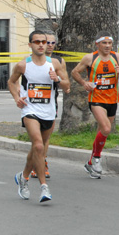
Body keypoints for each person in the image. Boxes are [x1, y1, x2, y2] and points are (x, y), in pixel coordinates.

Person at [8, 30, 70, 203]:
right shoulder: (23, 65)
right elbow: (11, 82)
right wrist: (16, 97)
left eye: (44, 41)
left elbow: (67, 86)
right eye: (37, 42)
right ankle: (44, 187)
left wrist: (57, 79)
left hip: (48, 111)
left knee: (37, 149)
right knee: (38, 146)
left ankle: (23, 177)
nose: (42, 45)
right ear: (30, 45)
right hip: (30, 110)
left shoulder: (55, 64)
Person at [71, 31, 119, 179]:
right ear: (97, 44)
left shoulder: (118, 57)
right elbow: (74, 72)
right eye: (104, 43)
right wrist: (85, 83)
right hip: (96, 99)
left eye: (110, 43)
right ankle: (97, 159)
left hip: (112, 99)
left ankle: (90, 162)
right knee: (106, 128)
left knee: (103, 132)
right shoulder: (90, 58)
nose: (107, 46)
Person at [29, 31, 70, 179]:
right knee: (36, 138)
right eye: (48, 42)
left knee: (44, 138)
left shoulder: (58, 62)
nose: (50, 46)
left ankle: (41, 162)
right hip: (32, 104)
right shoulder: (29, 61)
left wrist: (57, 79)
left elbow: (67, 85)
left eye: (53, 43)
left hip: (50, 103)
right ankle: (37, 164)